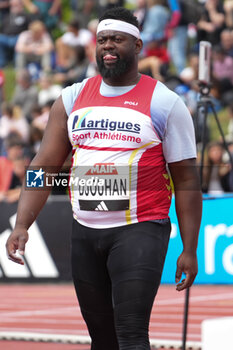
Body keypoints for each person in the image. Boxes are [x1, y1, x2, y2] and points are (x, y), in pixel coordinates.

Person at [6, 7, 202, 350]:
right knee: (102, 338)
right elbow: (43, 166)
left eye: (117, 39)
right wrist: (22, 223)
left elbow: (186, 180)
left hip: (141, 228)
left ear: (138, 45)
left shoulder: (164, 103)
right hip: (85, 231)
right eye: (102, 39)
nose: (108, 46)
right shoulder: (71, 98)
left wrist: (189, 248)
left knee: (130, 333)